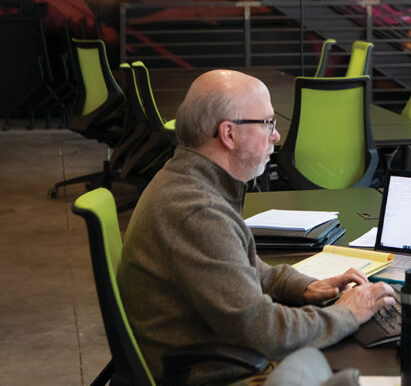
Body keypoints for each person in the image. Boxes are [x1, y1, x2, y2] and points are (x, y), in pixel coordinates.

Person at [117, 69, 396, 382]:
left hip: (216, 357)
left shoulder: (188, 179)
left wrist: (304, 286)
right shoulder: (198, 212)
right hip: (223, 376)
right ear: (229, 134)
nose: (276, 135)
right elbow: (265, 331)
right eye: (267, 123)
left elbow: (238, 268)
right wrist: (347, 313)